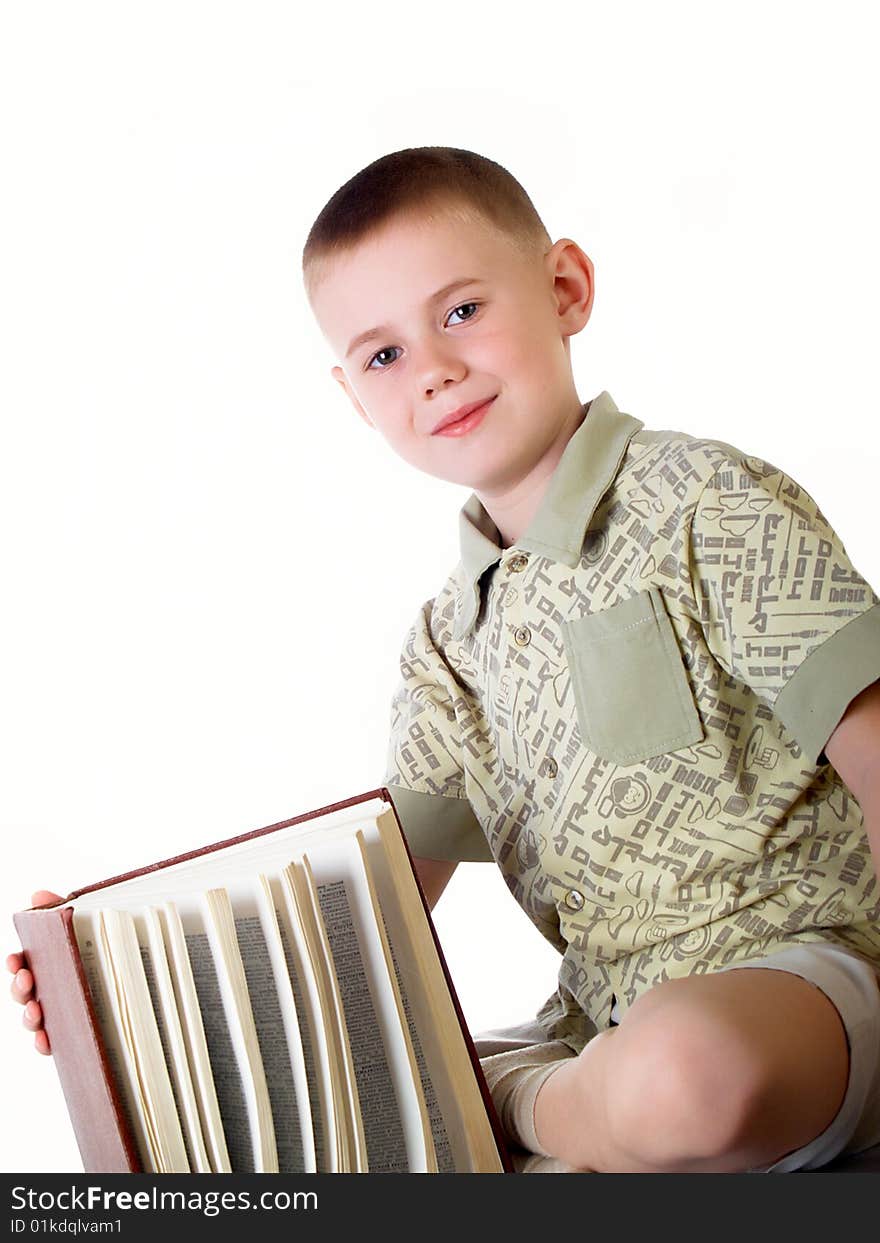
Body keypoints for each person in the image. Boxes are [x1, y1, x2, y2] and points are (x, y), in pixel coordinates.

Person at [10, 146, 880, 1174]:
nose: (432, 367)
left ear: (565, 289)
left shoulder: (707, 504)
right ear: (353, 397)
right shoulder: (446, 643)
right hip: (598, 1021)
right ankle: (542, 1096)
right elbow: (368, 900)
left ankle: (505, 1099)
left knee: (684, 1074)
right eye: (382, 357)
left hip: (803, 981)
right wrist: (124, 981)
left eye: (460, 311)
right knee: (297, 1126)